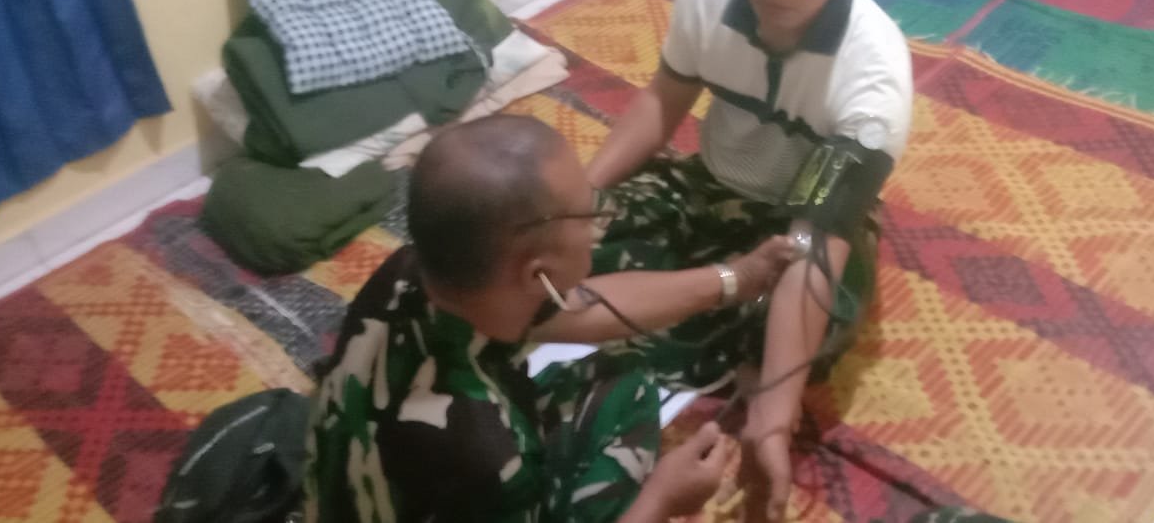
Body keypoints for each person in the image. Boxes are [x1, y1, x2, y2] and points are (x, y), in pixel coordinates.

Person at [584, 0, 913, 519]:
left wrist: (773, 423)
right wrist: (577, 200)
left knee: (814, 318)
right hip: (709, 184)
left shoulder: (875, 77)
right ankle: (716, 321)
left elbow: (816, 242)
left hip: (807, 222)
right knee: (570, 243)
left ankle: (726, 334)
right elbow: (661, 102)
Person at [304, 115, 802, 522]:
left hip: (371, 473)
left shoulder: (415, 272)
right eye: (590, 216)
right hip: (470, 485)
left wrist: (734, 278)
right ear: (537, 275)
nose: (602, 224)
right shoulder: (492, 458)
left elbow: (587, 305)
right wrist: (661, 500)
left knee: (622, 381)